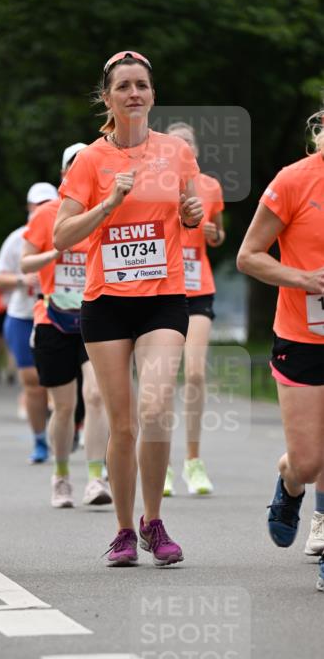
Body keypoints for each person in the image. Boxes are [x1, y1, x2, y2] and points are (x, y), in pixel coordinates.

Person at [54, 50, 203, 566]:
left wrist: (191, 214)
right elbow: (62, 234)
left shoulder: (176, 153)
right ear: (108, 98)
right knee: (122, 424)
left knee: (156, 409)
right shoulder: (91, 160)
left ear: (153, 94)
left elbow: (189, 220)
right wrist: (106, 205)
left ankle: (154, 522)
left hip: (163, 298)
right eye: (123, 87)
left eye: (142, 85)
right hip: (105, 304)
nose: (134, 93)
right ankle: (122, 529)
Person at [237, 107, 324, 592]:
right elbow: (248, 256)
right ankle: (291, 484)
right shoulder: (293, 181)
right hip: (302, 335)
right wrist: (303, 278)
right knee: (310, 460)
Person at [22, 142, 112, 508]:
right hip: (54, 319)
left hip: (98, 317)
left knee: (95, 396)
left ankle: (95, 477)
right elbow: (27, 265)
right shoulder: (47, 215)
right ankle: (61, 475)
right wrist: (54, 253)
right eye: (75, 168)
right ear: (64, 176)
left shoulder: (109, 211)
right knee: (62, 406)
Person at [163, 121, 225, 496]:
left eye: (188, 143)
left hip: (198, 286)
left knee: (196, 374)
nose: (182, 147)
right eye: (175, 143)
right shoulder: (152, 183)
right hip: (162, 286)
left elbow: (216, 234)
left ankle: (193, 461)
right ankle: (163, 465)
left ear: (196, 151)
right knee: (162, 380)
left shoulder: (211, 187)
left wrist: (215, 234)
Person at [0, 183, 58, 463]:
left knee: (65, 381)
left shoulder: (67, 233)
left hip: (60, 315)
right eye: (38, 205)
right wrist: (22, 279)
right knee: (32, 382)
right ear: (30, 208)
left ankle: (73, 425)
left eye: (48, 204)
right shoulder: (18, 239)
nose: (43, 210)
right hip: (23, 316)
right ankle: (40, 439)